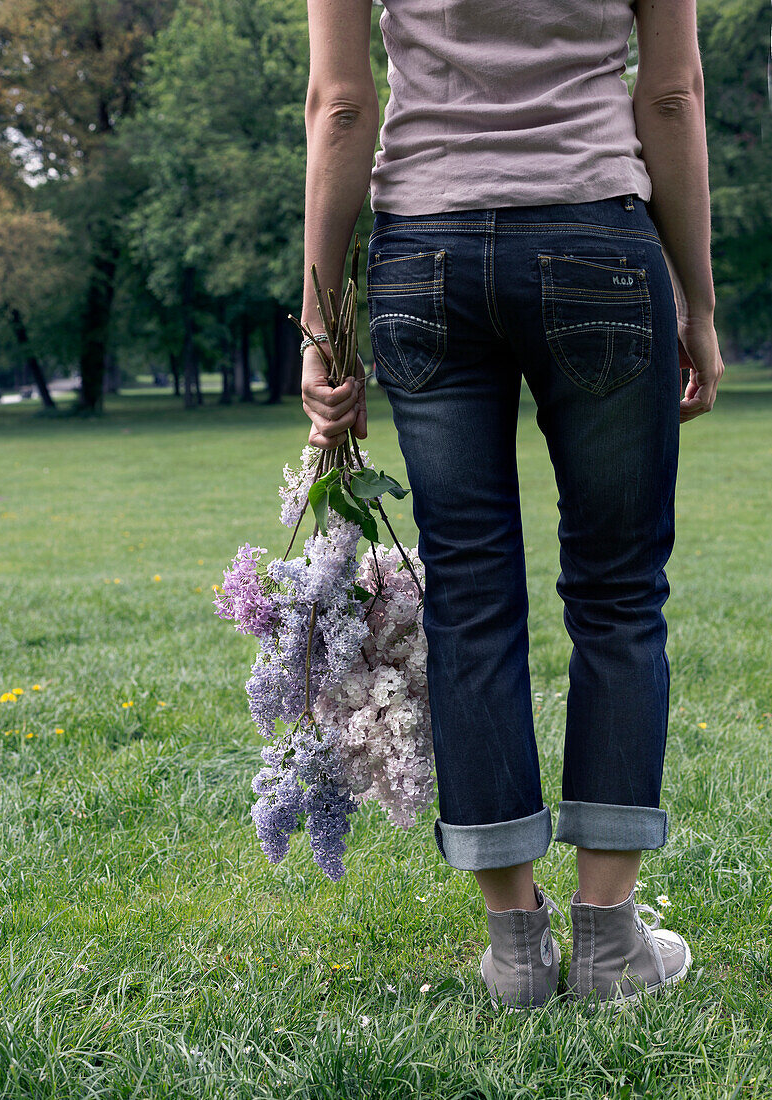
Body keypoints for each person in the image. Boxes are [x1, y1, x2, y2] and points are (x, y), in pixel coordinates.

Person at [298, 0, 724, 1010]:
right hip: (597, 240)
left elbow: (340, 103)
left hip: (426, 258)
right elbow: (669, 94)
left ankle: (517, 949)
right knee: (620, 594)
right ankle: (612, 940)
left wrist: (320, 318)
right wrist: (699, 305)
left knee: (471, 597)